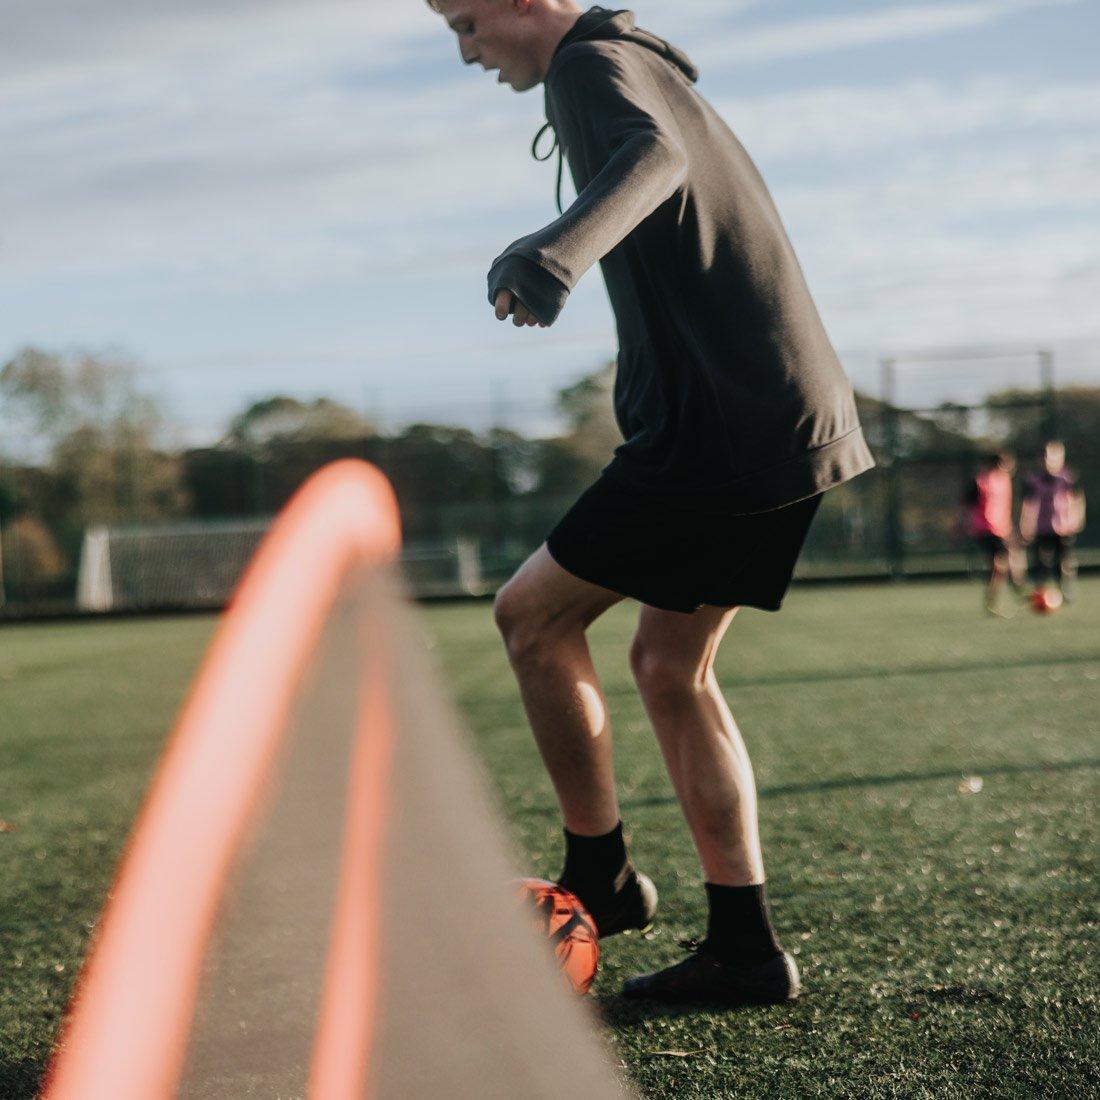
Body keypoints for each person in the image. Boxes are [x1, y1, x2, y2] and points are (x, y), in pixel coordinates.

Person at [428, 0, 874, 1005]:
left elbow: (652, 158)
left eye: (464, 21)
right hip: (783, 419)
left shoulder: (587, 68)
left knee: (530, 615)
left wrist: (553, 254)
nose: (464, 52)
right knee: (668, 666)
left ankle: (600, 875)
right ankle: (744, 947)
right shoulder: (635, 60)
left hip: (720, 430)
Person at [1020, 441, 1086, 602]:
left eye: (1052, 456)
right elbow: (1028, 504)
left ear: (1061, 457)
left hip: (1063, 527)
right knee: (1040, 561)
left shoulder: (1068, 478)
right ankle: (1039, 591)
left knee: (1063, 561)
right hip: (1042, 527)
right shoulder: (1033, 480)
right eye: (1045, 457)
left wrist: (1078, 518)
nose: (1048, 460)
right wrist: (1025, 525)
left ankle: (1065, 589)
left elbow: (1078, 499)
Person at [963, 452, 1024, 616]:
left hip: (1002, 529)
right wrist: (965, 524)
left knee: (1000, 565)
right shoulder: (981, 482)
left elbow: (1004, 508)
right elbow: (968, 505)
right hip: (986, 529)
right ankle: (1016, 589)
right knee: (1003, 562)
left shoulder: (1005, 481)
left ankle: (996, 598)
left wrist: (1010, 529)